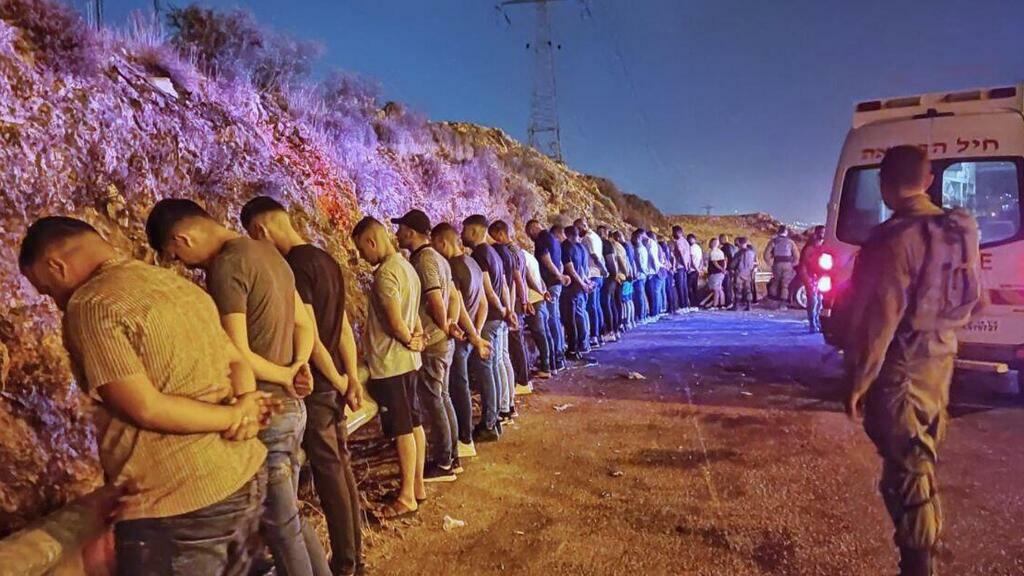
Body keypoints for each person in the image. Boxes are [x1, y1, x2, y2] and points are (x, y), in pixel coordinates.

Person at [20, 217, 271, 575]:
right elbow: (237, 362)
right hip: (242, 475)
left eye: (48, 290)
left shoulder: (91, 305)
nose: (56, 302)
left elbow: (145, 407)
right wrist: (246, 405)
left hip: (178, 503)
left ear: (56, 266)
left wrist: (234, 417)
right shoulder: (173, 283)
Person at [145, 199, 330, 575]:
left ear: (182, 239)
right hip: (293, 409)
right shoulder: (269, 253)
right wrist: (298, 365)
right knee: (289, 520)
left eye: (176, 255)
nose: (184, 265)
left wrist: (283, 376)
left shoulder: (227, 265)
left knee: (282, 530)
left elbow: (237, 352)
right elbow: (303, 325)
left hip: (265, 409)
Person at [839, 145, 981, 576]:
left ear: (883, 185)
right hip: (940, 364)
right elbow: (977, 299)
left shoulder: (892, 239)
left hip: (903, 371)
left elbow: (877, 322)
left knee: (909, 476)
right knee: (915, 463)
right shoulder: (961, 229)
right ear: (929, 180)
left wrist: (858, 381)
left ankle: (920, 565)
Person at [241, 197, 366, 576]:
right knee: (340, 467)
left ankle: (346, 564)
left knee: (330, 473)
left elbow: (308, 334)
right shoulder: (325, 259)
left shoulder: (293, 267)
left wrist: (338, 379)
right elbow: (342, 328)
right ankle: (352, 558)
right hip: (334, 382)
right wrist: (350, 376)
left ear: (260, 230)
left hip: (317, 387)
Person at [348, 216, 427, 519]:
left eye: (361, 249)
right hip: (409, 362)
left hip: (391, 364)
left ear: (372, 241)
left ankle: (406, 497)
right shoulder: (407, 267)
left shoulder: (385, 274)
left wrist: (407, 339)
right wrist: (416, 338)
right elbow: (413, 313)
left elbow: (395, 322)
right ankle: (417, 487)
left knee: (402, 430)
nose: (362, 256)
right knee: (415, 424)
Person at [392, 209, 461, 483]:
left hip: (433, 342)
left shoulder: (424, 260)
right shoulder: (439, 258)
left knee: (434, 400)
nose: (397, 234)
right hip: (442, 339)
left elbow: (435, 299)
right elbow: (454, 297)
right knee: (443, 397)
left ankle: (444, 463)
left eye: (400, 230)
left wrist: (443, 326)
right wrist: (451, 324)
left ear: (411, 232)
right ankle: (452, 457)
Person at [430, 222, 493, 458]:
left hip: (460, 337)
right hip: (469, 336)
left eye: (435, 244)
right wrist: (477, 333)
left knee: (457, 389)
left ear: (442, 242)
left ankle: (464, 439)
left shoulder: (453, 267)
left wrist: (474, 337)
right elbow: (483, 303)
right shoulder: (473, 263)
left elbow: (460, 307)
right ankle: (465, 435)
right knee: (460, 386)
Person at [462, 214, 512, 441]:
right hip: (498, 318)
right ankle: (497, 415)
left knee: (486, 370)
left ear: (474, 231)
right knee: (494, 366)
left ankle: (489, 423)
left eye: (464, 230)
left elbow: (487, 290)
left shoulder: (480, 255)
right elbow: (504, 286)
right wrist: (507, 310)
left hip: (488, 320)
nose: (462, 234)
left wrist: (501, 309)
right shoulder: (495, 253)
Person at [489, 220, 533, 405]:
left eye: (493, 235)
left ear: (500, 233)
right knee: (517, 342)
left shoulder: (507, 252)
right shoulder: (519, 250)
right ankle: (524, 378)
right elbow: (524, 275)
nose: (492, 240)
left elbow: (516, 279)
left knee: (514, 343)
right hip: (516, 300)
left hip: (513, 301)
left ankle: (523, 380)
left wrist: (522, 301)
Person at [527, 220, 571, 374]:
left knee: (551, 320)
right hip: (556, 284)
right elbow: (558, 262)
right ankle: (558, 356)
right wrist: (561, 276)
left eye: (529, 233)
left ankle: (556, 358)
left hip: (550, 284)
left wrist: (559, 276)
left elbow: (546, 260)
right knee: (555, 318)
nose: (530, 237)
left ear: (533, 229)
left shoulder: (541, 239)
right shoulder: (554, 239)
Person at [561, 225, 594, 362]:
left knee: (571, 319)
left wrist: (582, 284)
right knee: (580, 315)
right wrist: (586, 282)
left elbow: (571, 270)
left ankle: (573, 349)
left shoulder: (566, 247)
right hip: (580, 288)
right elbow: (582, 269)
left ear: (567, 234)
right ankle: (583, 344)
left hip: (571, 288)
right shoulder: (581, 248)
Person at [575, 218, 607, 348]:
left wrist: (603, 269)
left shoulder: (588, 238)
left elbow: (594, 255)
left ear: (584, 226)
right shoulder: (596, 237)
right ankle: (600, 334)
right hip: (597, 274)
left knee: (592, 306)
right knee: (597, 306)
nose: (577, 231)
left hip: (593, 274)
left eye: (578, 228)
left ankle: (594, 335)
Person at [799, 225, 827, 333]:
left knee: (819, 300)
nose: (823, 235)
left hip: (820, 276)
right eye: (822, 232)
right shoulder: (810, 247)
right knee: (813, 300)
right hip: (810, 276)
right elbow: (805, 263)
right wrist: (806, 277)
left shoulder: (823, 246)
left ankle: (817, 321)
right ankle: (812, 323)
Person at [763, 225, 799, 308]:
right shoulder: (790, 242)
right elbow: (796, 256)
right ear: (786, 232)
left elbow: (766, 254)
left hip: (777, 264)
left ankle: (772, 301)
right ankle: (783, 303)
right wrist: (793, 264)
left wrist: (770, 263)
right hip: (788, 265)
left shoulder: (773, 241)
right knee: (785, 284)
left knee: (775, 282)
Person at [598, 225, 621, 342]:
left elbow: (611, 260)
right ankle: (615, 330)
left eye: (601, 232)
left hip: (609, 277)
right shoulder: (610, 244)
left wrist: (613, 275)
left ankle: (610, 331)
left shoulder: (606, 244)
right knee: (611, 304)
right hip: (612, 277)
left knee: (607, 304)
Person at [615, 230, 638, 329]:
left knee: (625, 301)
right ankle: (631, 321)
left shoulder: (622, 247)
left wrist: (627, 274)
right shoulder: (629, 247)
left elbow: (624, 262)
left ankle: (626, 321)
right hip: (629, 275)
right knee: (629, 300)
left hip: (625, 276)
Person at [730, 237, 757, 311]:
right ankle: (749, 306)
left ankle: (736, 306)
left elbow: (733, 264)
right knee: (748, 289)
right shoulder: (752, 253)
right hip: (748, 273)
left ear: (739, 243)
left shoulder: (739, 253)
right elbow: (754, 263)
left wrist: (731, 268)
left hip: (739, 273)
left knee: (738, 289)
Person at [671, 226, 692, 311]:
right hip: (685, 267)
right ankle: (686, 306)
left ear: (677, 232)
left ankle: (682, 306)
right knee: (684, 287)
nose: (672, 234)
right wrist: (688, 266)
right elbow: (689, 255)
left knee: (680, 287)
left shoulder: (678, 242)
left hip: (680, 267)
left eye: (673, 232)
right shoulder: (686, 242)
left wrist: (685, 265)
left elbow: (681, 255)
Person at [631, 230, 651, 323]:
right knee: (642, 296)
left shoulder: (638, 249)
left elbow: (640, 264)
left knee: (639, 297)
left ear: (637, 238)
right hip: (642, 275)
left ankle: (641, 316)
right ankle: (643, 315)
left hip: (639, 276)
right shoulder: (642, 248)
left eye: (633, 238)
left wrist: (645, 272)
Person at [707, 237, 727, 309]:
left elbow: (715, 262)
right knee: (720, 289)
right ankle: (722, 304)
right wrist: (724, 269)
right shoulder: (720, 251)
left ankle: (715, 305)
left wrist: (721, 269)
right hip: (721, 273)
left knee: (715, 289)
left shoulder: (712, 252)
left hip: (715, 273)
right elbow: (725, 261)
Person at [718, 234, 736, 309]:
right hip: (733, 269)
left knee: (726, 287)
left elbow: (724, 260)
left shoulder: (724, 248)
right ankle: (731, 302)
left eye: (719, 239)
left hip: (727, 269)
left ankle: (728, 303)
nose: (719, 241)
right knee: (730, 287)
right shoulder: (733, 247)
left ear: (722, 239)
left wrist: (723, 269)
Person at [687, 234, 703, 306]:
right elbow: (701, 259)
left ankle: (692, 303)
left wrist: (697, 269)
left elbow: (691, 261)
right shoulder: (699, 247)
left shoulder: (691, 248)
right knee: (695, 288)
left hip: (692, 270)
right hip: (696, 270)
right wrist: (699, 268)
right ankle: (696, 303)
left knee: (689, 288)